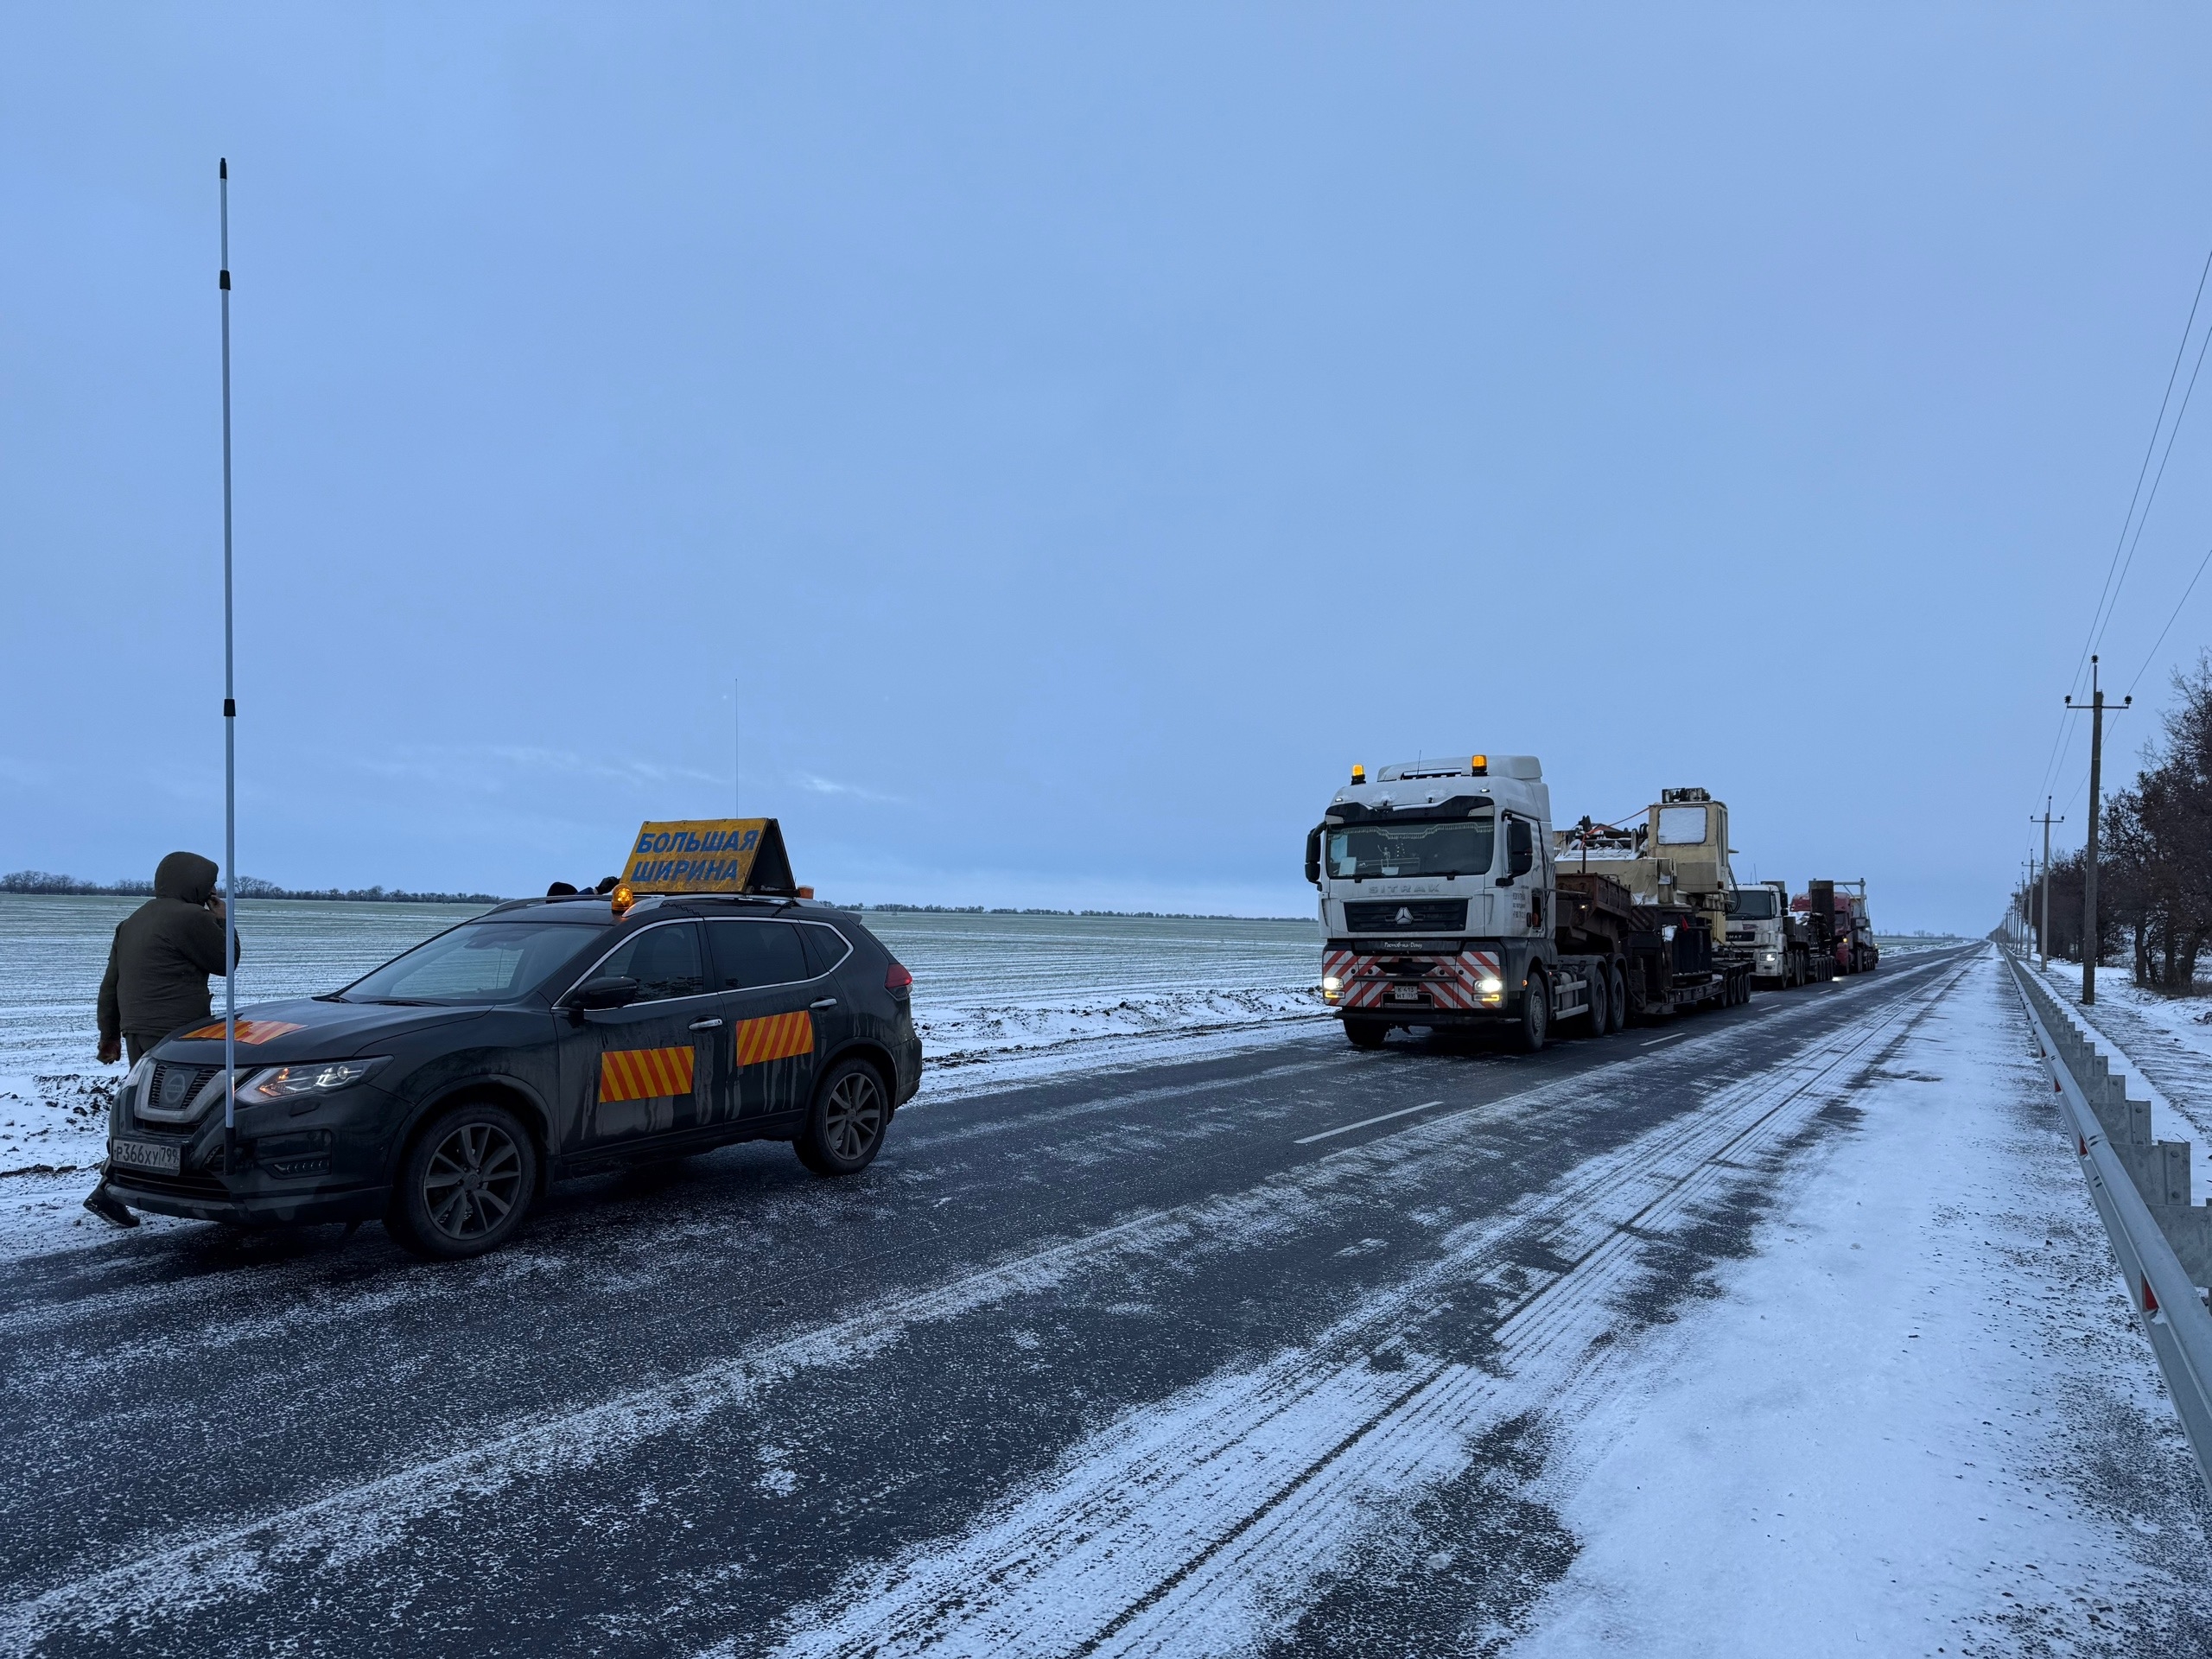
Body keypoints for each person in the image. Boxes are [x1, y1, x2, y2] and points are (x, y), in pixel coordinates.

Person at [86, 851, 242, 1228]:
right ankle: (116, 1189)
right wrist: (225, 921)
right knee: (179, 1119)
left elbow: (111, 985)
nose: (213, 890)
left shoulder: (134, 920)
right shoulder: (191, 918)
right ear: (194, 883)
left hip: (138, 1030)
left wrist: (109, 1035)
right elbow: (227, 963)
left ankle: (114, 1188)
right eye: (208, 883)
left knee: (145, 1118)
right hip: (180, 1033)